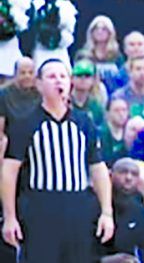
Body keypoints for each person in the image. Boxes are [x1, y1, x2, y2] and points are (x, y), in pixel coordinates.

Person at [1, 59, 115, 262]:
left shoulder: (84, 123)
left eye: (62, 76)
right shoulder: (25, 123)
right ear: (39, 84)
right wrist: (10, 217)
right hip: (40, 208)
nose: (58, 82)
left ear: (70, 82)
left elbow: (98, 169)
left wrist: (106, 212)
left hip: (78, 207)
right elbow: (9, 172)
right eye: (51, 77)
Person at [98, 157, 144, 263]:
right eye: (123, 172)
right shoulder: (95, 208)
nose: (129, 177)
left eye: (134, 174)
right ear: (110, 175)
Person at [25, 0, 76, 69]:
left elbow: (69, 32)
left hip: (59, 51)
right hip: (40, 51)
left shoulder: (66, 6)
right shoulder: (34, 5)